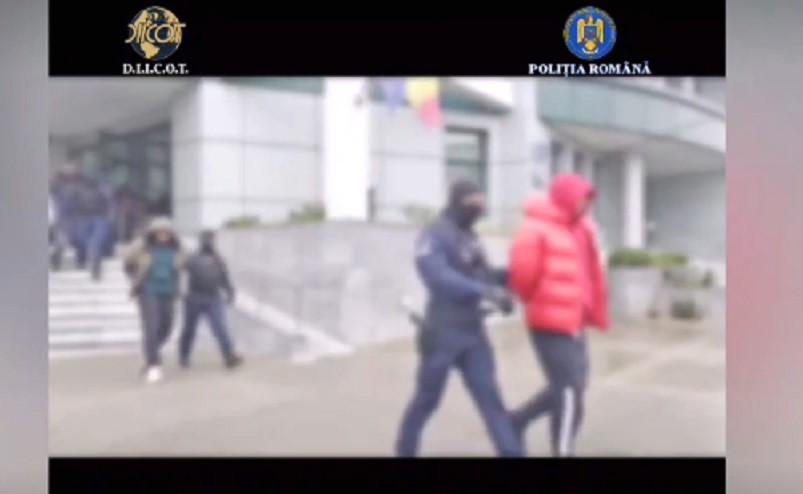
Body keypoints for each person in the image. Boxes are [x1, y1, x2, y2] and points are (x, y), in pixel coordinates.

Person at [395, 180, 523, 457]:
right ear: (457, 201)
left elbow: (485, 274)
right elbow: (437, 276)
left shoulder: (471, 236)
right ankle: (405, 451)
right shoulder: (434, 235)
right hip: (442, 332)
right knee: (427, 401)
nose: (478, 208)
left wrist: (513, 276)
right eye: (473, 202)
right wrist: (484, 291)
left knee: (491, 400)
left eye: (481, 202)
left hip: (473, 333)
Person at [506, 173, 608, 457]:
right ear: (566, 198)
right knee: (568, 392)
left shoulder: (584, 228)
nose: (586, 204)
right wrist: (542, 300)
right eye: (582, 198)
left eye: (589, 199)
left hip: (576, 321)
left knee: (574, 387)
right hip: (549, 322)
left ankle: (516, 421)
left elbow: (590, 271)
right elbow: (521, 278)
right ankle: (562, 450)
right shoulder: (535, 229)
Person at [123, 217, 187, 383]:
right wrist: (135, 279)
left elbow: (186, 264)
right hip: (148, 291)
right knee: (151, 327)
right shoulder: (143, 248)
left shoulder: (177, 250)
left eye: (166, 232)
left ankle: (150, 351)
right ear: (153, 233)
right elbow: (128, 263)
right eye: (159, 232)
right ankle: (153, 364)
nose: (163, 235)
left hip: (168, 292)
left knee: (167, 327)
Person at [179, 230, 243, 369]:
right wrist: (182, 293)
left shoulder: (218, 259)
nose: (208, 242)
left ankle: (228, 355)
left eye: (210, 239)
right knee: (189, 329)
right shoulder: (192, 258)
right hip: (194, 297)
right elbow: (181, 274)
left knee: (220, 327)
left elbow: (224, 277)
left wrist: (230, 291)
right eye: (206, 239)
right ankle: (184, 355)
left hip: (213, 297)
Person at [74, 176, 111, 280]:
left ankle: (93, 264)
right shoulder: (81, 192)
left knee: (93, 243)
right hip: (88, 218)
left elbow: (108, 205)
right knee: (88, 242)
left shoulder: (101, 192)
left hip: (94, 218)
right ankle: (88, 261)